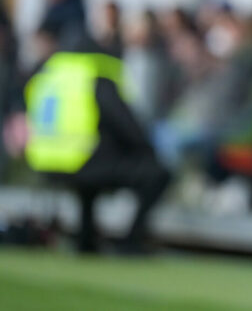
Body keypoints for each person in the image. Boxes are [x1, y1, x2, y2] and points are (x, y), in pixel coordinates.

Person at [21, 16, 170, 253]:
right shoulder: (94, 75)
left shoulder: (50, 73)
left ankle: (86, 238)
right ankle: (130, 241)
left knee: (94, 168)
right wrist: (147, 149)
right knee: (157, 173)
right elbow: (125, 124)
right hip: (79, 159)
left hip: (45, 162)